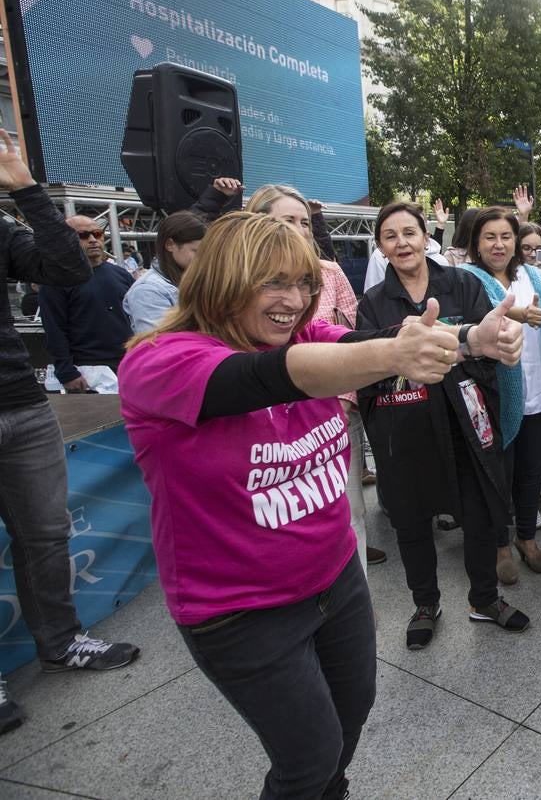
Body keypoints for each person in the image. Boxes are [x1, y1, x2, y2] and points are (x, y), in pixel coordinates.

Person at [119, 211, 464, 796]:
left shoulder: (302, 333)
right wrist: (396, 357)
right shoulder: (159, 361)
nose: (296, 300)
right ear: (224, 279)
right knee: (308, 757)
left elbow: (357, 342)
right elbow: (275, 376)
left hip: (336, 583)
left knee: (349, 718)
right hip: (240, 611)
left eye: (304, 283)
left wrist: (473, 339)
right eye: (274, 282)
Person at [0, 133, 138, 736]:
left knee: (47, 534)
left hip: (22, 406)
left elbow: (64, 267)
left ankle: (60, 643)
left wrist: (25, 187)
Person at [358, 202, 528, 647]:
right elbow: (369, 372)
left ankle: (484, 599)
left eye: (409, 232)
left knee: (478, 515)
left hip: (463, 424)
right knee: (412, 523)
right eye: (390, 236)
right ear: (380, 246)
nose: (402, 243)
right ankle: (425, 603)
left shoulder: (461, 282)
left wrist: (485, 343)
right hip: (407, 430)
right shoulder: (374, 303)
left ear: (425, 238)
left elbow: (486, 343)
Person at [246, 184, 388, 571]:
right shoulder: (233, 289)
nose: (293, 302)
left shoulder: (329, 272)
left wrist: (344, 398)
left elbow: (351, 334)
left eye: (304, 222)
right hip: (264, 428)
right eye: (286, 220)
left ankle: (352, 593)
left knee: (348, 508)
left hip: (335, 413)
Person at [463, 207, 541, 582]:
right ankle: (499, 546)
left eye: (506, 236)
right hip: (493, 399)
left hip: (538, 395)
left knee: (529, 474)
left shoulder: (534, 275)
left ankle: (527, 540)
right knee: (497, 478)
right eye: (490, 237)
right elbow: (470, 322)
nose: (499, 244)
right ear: (476, 243)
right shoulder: (467, 278)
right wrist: (516, 316)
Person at [38, 215, 135, 391]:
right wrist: (67, 371)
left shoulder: (121, 275)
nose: (92, 240)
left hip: (129, 364)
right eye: (83, 235)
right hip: (89, 371)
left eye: (97, 234)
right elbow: (54, 330)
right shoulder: (56, 280)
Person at [122, 211, 205, 332]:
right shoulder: (148, 290)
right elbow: (159, 343)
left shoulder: (198, 279)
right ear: (170, 244)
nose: (204, 258)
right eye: (197, 251)